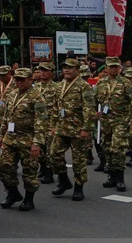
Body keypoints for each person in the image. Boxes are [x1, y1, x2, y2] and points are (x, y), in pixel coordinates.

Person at [0, 67, 48, 211]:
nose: (19, 82)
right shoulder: (12, 94)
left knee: (30, 171)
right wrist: (2, 134)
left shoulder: (37, 97)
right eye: (17, 79)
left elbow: (41, 121)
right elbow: (6, 117)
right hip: (11, 138)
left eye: (22, 80)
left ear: (30, 79)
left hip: (28, 139)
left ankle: (28, 199)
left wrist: (37, 143)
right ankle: (13, 193)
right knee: (4, 166)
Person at [49, 58, 95, 201]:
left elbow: (89, 109)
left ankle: (78, 187)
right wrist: (52, 125)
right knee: (53, 154)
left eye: (69, 68)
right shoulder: (59, 85)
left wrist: (86, 128)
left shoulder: (84, 86)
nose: (66, 70)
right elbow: (56, 108)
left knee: (78, 160)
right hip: (62, 128)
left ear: (77, 70)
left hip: (78, 130)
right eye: (64, 68)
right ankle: (64, 181)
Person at [94, 58, 132, 192]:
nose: (113, 69)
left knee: (118, 148)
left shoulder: (126, 83)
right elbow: (93, 100)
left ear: (119, 68)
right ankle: (112, 176)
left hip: (121, 120)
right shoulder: (101, 83)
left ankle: (120, 179)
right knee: (107, 148)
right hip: (105, 121)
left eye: (116, 67)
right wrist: (94, 112)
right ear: (106, 68)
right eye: (111, 67)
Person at [33, 63, 56, 184]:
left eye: (46, 70)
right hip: (38, 123)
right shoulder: (35, 87)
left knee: (49, 150)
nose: (42, 73)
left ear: (52, 73)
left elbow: (59, 107)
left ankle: (49, 172)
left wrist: (55, 125)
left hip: (50, 122)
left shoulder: (56, 88)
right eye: (41, 70)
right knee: (39, 149)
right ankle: (42, 167)